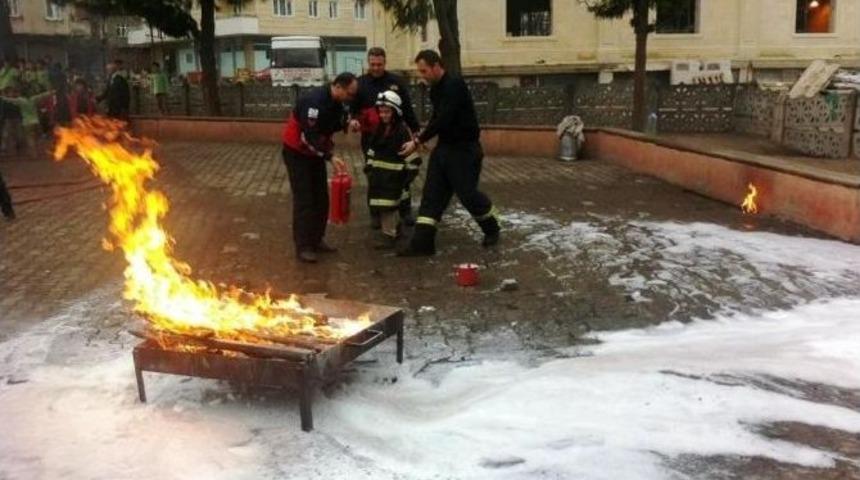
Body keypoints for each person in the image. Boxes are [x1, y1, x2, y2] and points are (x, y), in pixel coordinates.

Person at [398, 50, 500, 257]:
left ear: (436, 66)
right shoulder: (435, 90)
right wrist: (422, 137)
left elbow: (445, 118)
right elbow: (436, 119)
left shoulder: (455, 85)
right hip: (444, 148)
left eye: (424, 71)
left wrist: (418, 141)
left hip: (464, 150)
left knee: (467, 194)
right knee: (432, 194)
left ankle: (492, 228)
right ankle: (422, 243)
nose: (422, 76)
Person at [281, 72, 356, 263]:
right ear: (338, 87)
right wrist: (329, 156)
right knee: (305, 200)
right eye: (349, 93)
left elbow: (335, 124)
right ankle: (303, 246)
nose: (350, 98)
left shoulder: (338, 103)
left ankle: (317, 239)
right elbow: (309, 137)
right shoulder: (313, 102)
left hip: (314, 154)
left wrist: (349, 123)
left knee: (321, 198)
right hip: (298, 153)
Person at [348, 47, 421, 229]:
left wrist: (415, 131)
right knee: (374, 176)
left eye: (379, 64)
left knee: (401, 173)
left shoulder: (396, 82)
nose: (376, 68)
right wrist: (354, 120)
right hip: (372, 138)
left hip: (397, 136)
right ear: (368, 62)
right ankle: (376, 214)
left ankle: (404, 211)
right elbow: (353, 110)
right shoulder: (360, 83)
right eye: (372, 64)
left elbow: (407, 109)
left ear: (385, 62)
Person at [365, 90, 422, 250]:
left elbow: (412, 157)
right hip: (379, 178)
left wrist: (408, 176)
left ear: (395, 112)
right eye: (381, 112)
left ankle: (389, 236)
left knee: (388, 208)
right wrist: (369, 166)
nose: (383, 115)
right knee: (385, 207)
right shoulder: (379, 129)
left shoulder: (401, 131)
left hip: (393, 178)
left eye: (387, 112)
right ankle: (395, 231)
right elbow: (372, 149)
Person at [1, 85, 53, 159]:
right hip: (36, 122)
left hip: (27, 123)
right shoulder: (33, 99)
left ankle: (33, 154)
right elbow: (43, 95)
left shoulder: (20, 100)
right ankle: (43, 152)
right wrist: (52, 92)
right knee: (39, 137)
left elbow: (9, 100)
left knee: (30, 138)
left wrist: (2, 97)